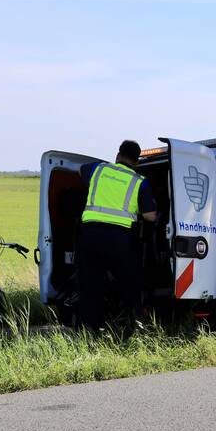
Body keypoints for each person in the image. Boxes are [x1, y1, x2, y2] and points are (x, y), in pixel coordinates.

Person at [75, 140, 158, 330]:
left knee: (89, 286)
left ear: (117, 155)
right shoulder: (140, 181)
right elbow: (150, 216)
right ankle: (133, 325)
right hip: (119, 240)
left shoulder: (99, 169)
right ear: (136, 162)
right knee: (130, 284)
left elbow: (80, 171)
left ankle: (89, 330)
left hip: (90, 236)